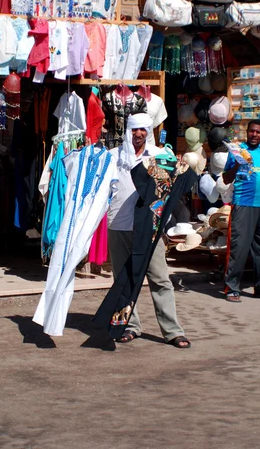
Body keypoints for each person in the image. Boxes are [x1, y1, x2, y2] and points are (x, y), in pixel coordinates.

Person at [107, 113, 191, 348]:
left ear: (149, 131)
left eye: (142, 129)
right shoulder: (113, 157)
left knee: (160, 279)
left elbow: (177, 187)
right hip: (119, 224)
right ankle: (129, 326)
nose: (138, 134)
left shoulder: (161, 157)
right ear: (128, 131)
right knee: (123, 281)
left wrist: (180, 166)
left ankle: (172, 331)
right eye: (134, 130)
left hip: (150, 229)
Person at [222, 120, 260, 302]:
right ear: (247, 132)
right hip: (244, 205)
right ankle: (232, 288)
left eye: (258, 132)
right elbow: (225, 179)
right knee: (239, 249)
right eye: (251, 132)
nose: (254, 135)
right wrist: (238, 165)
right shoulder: (237, 152)